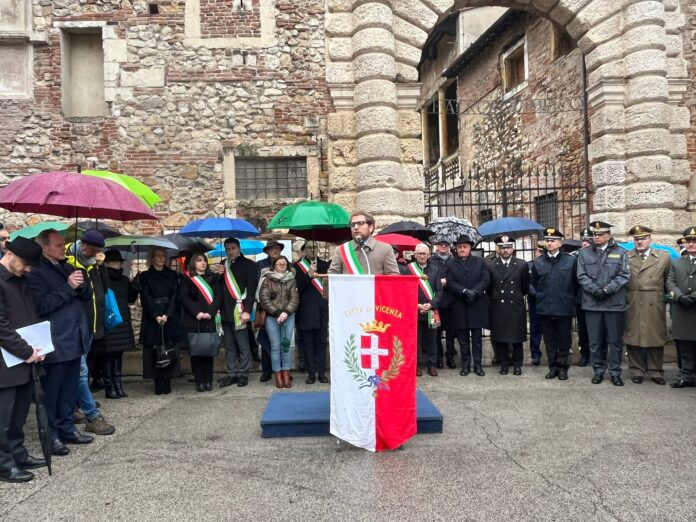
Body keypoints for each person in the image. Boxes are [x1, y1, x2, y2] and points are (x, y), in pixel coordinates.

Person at [28, 229, 94, 454]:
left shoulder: (65, 266)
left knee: (69, 389)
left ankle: (67, 428)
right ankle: (52, 434)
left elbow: (85, 296)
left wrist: (82, 283)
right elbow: (42, 305)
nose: (63, 249)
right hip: (55, 339)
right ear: (44, 247)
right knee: (53, 391)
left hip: (74, 338)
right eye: (58, 245)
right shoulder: (35, 272)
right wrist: (68, 287)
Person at [0, 237, 47, 483]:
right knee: (3, 418)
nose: (28, 269)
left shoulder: (22, 281)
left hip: (25, 358)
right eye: (26, 264)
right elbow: (2, 327)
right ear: (11, 255)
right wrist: (26, 350)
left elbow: (32, 315)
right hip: (5, 362)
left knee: (18, 414)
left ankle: (18, 453)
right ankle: (4, 464)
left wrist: (40, 345)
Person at [65, 230, 115, 436]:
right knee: (80, 371)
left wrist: (101, 267)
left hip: (91, 324)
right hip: (75, 325)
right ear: (83, 245)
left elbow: (103, 289)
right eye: (92, 250)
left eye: (97, 252)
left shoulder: (92, 263)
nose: (95, 254)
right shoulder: (69, 263)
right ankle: (91, 415)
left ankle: (72, 407)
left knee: (77, 370)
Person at [576, 221, 630, 386]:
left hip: (614, 304)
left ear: (609, 235)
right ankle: (598, 370)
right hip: (592, 303)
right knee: (594, 341)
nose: (596, 237)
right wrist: (594, 290)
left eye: (600, 234)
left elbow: (624, 275)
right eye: (595, 234)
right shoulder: (584, 254)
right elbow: (581, 276)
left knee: (615, 341)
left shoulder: (621, 252)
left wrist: (606, 290)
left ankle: (615, 372)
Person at [623, 226, 670, 385]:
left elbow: (668, 281)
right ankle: (636, 370)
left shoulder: (664, 257)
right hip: (633, 300)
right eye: (636, 239)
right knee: (633, 335)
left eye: (643, 238)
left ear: (650, 239)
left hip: (654, 301)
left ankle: (656, 371)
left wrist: (665, 298)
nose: (640, 241)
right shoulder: (626, 257)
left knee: (655, 336)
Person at [531, 228, 578, 381]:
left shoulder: (570, 261)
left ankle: (563, 368)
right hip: (545, 308)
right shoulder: (538, 262)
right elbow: (532, 284)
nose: (549, 243)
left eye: (553, 240)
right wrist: (538, 296)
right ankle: (553, 368)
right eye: (547, 240)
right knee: (549, 341)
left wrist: (570, 298)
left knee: (564, 340)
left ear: (560, 242)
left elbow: (576, 283)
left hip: (564, 307)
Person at [444, 234, 490, 376]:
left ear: (470, 247)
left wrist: (475, 292)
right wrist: (464, 291)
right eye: (459, 247)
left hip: (476, 303)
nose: (462, 249)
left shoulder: (479, 262)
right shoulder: (450, 264)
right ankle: (465, 365)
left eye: (465, 247)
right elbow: (449, 282)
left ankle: (477, 365)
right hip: (460, 304)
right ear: (456, 249)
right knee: (463, 340)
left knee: (477, 339)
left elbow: (485, 279)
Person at [139, 247, 182, 395]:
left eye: (163, 256)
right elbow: (145, 296)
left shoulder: (172, 275)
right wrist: (156, 315)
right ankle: (157, 382)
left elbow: (175, 295)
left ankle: (167, 381)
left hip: (168, 317)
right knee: (154, 350)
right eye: (158, 256)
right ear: (152, 258)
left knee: (168, 348)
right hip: (152, 318)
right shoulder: (145, 276)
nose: (161, 258)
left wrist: (167, 315)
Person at [218, 238, 258, 388]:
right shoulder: (223, 265)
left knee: (243, 344)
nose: (230, 251)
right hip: (225, 311)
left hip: (240, 311)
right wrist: (218, 275)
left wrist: (247, 311)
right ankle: (232, 373)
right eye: (227, 249)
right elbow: (218, 288)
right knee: (229, 345)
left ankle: (243, 373)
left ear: (239, 248)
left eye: (233, 248)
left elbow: (252, 289)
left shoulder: (250, 265)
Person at [487, 235, 529, 376]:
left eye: (509, 247)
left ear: (513, 248)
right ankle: (503, 364)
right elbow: (489, 288)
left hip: (515, 305)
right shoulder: (491, 265)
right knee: (501, 337)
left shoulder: (522, 264)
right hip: (499, 305)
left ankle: (518, 364)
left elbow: (525, 287)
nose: (506, 250)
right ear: (497, 249)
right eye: (503, 247)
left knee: (517, 338)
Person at [98, 249, 138, 398]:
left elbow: (130, 299)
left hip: (122, 320)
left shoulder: (124, 280)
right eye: (114, 261)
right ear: (107, 263)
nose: (117, 264)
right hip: (110, 320)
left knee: (118, 355)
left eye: (119, 262)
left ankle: (118, 385)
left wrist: (135, 286)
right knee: (108, 355)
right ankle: (110, 387)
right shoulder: (103, 277)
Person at [180, 253, 222, 392]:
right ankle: (199, 381)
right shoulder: (187, 278)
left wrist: (210, 312)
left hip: (209, 318)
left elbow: (218, 296)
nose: (203, 263)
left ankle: (208, 380)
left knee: (208, 350)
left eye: (204, 261)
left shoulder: (213, 278)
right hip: (194, 319)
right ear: (193, 263)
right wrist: (197, 312)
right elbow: (184, 297)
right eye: (199, 261)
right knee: (196, 350)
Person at [259, 256, 299, 388]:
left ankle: (286, 374)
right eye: (279, 264)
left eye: (284, 264)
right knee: (275, 347)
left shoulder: (291, 280)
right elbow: (264, 299)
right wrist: (277, 312)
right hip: (272, 318)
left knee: (285, 347)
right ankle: (278, 375)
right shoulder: (267, 279)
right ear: (274, 266)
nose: (281, 266)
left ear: (287, 266)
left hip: (288, 316)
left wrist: (286, 312)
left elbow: (295, 299)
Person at [295, 241, 329, 384]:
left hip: (321, 309)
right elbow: (297, 288)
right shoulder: (296, 267)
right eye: (309, 248)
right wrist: (308, 275)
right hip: (305, 310)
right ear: (303, 251)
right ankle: (311, 373)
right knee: (307, 343)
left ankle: (321, 372)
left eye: (315, 247)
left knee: (321, 342)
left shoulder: (326, 266)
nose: (312, 250)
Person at [406, 243, 442, 377]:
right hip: (414, 310)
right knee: (415, 340)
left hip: (431, 311)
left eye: (424, 254)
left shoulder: (436, 270)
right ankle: (416, 366)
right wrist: (416, 305)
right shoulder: (408, 270)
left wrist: (431, 305)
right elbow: (405, 291)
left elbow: (439, 291)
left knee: (433, 340)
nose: (422, 256)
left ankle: (432, 366)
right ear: (415, 255)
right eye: (419, 254)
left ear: (429, 255)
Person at [667, 227, 696, 389]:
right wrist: (679, 296)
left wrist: (692, 297)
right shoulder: (676, 262)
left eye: (694, 241)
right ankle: (687, 376)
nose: (691, 244)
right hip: (681, 308)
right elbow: (670, 282)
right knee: (684, 345)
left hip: (694, 306)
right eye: (688, 241)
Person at [328, 210, 400, 275]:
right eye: (353, 224)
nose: (356, 227)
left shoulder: (385, 249)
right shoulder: (341, 250)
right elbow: (331, 276)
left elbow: (394, 278)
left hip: (375, 289)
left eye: (360, 223)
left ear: (370, 227)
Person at [256, 240, 285, 381]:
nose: (274, 251)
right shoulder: (260, 265)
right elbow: (257, 286)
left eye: (277, 248)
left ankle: (283, 369)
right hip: (266, 308)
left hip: (282, 309)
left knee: (281, 340)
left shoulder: (286, 264)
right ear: (267, 251)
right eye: (272, 249)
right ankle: (267, 370)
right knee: (266, 339)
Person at [429, 237, 456, 369]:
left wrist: (448, 281)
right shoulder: (431, 260)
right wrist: (440, 282)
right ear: (437, 246)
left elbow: (457, 276)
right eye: (441, 244)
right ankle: (439, 357)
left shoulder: (454, 259)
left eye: (446, 244)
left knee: (451, 333)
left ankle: (450, 356)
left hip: (451, 301)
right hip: (437, 302)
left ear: (449, 246)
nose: (443, 247)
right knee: (436, 333)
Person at [573, 228, 593, 366]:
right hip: (581, 298)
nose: (585, 243)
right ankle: (585, 354)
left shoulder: (599, 255)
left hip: (597, 297)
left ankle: (599, 354)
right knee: (583, 329)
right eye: (583, 240)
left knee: (598, 328)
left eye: (588, 240)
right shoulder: (575, 256)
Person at [526, 241, 545, 366]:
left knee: (551, 329)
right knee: (535, 329)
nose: (540, 253)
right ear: (536, 251)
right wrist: (536, 295)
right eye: (539, 251)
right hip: (535, 301)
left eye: (543, 252)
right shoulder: (529, 265)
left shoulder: (550, 264)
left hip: (548, 301)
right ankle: (535, 354)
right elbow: (527, 283)